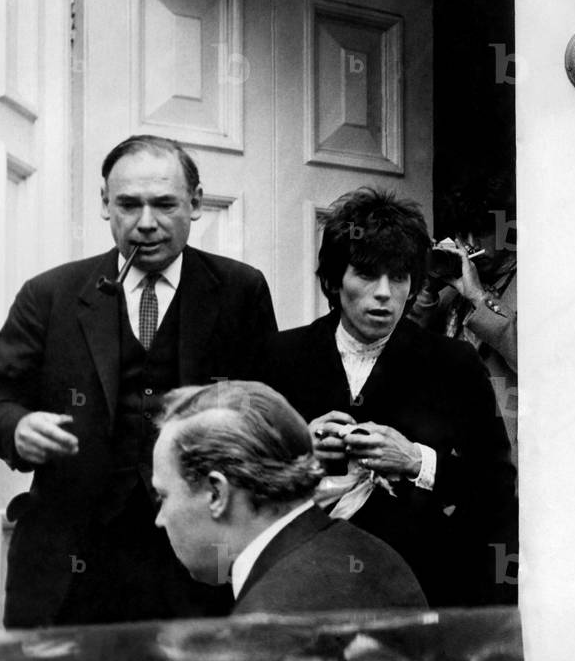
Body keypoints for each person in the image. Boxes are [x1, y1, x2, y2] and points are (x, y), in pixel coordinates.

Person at [0, 134, 277, 628]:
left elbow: (265, 413)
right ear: (104, 204)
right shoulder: (49, 294)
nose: (146, 224)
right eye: (128, 205)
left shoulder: (241, 291)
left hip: (197, 565)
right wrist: (18, 427)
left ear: (196, 203)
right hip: (71, 567)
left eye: (164, 204)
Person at [259, 188, 516, 608]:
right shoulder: (279, 358)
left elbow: (496, 488)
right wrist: (299, 450)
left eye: (398, 277)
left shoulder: (452, 363)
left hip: (414, 592)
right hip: (302, 591)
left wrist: (417, 461)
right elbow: (239, 483)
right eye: (366, 274)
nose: (384, 293)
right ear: (333, 279)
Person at [153, 381, 428, 614]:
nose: (160, 520)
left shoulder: (267, 621)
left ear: (217, 493)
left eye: (163, 496)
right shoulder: (372, 554)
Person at [409, 176, 518, 466]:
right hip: (447, 459)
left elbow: (537, 362)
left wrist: (479, 298)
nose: (469, 244)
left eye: (481, 232)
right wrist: (427, 289)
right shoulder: (447, 293)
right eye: (462, 233)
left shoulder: (530, 282)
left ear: (505, 228)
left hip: (506, 458)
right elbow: (401, 349)